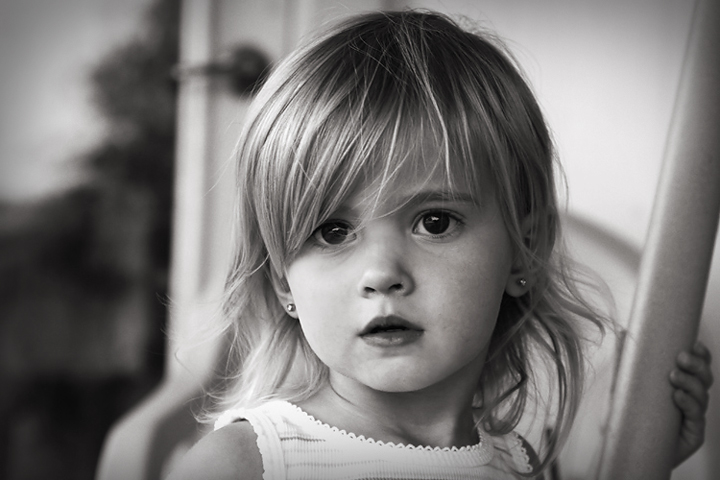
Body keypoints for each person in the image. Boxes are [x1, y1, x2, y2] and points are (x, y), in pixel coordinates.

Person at [167, 10, 713, 479]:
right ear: (283, 280)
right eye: (333, 232)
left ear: (526, 248)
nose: (381, 272)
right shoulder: (249, 462)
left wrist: (649, 457)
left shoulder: (518, 465)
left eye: (434, 222)